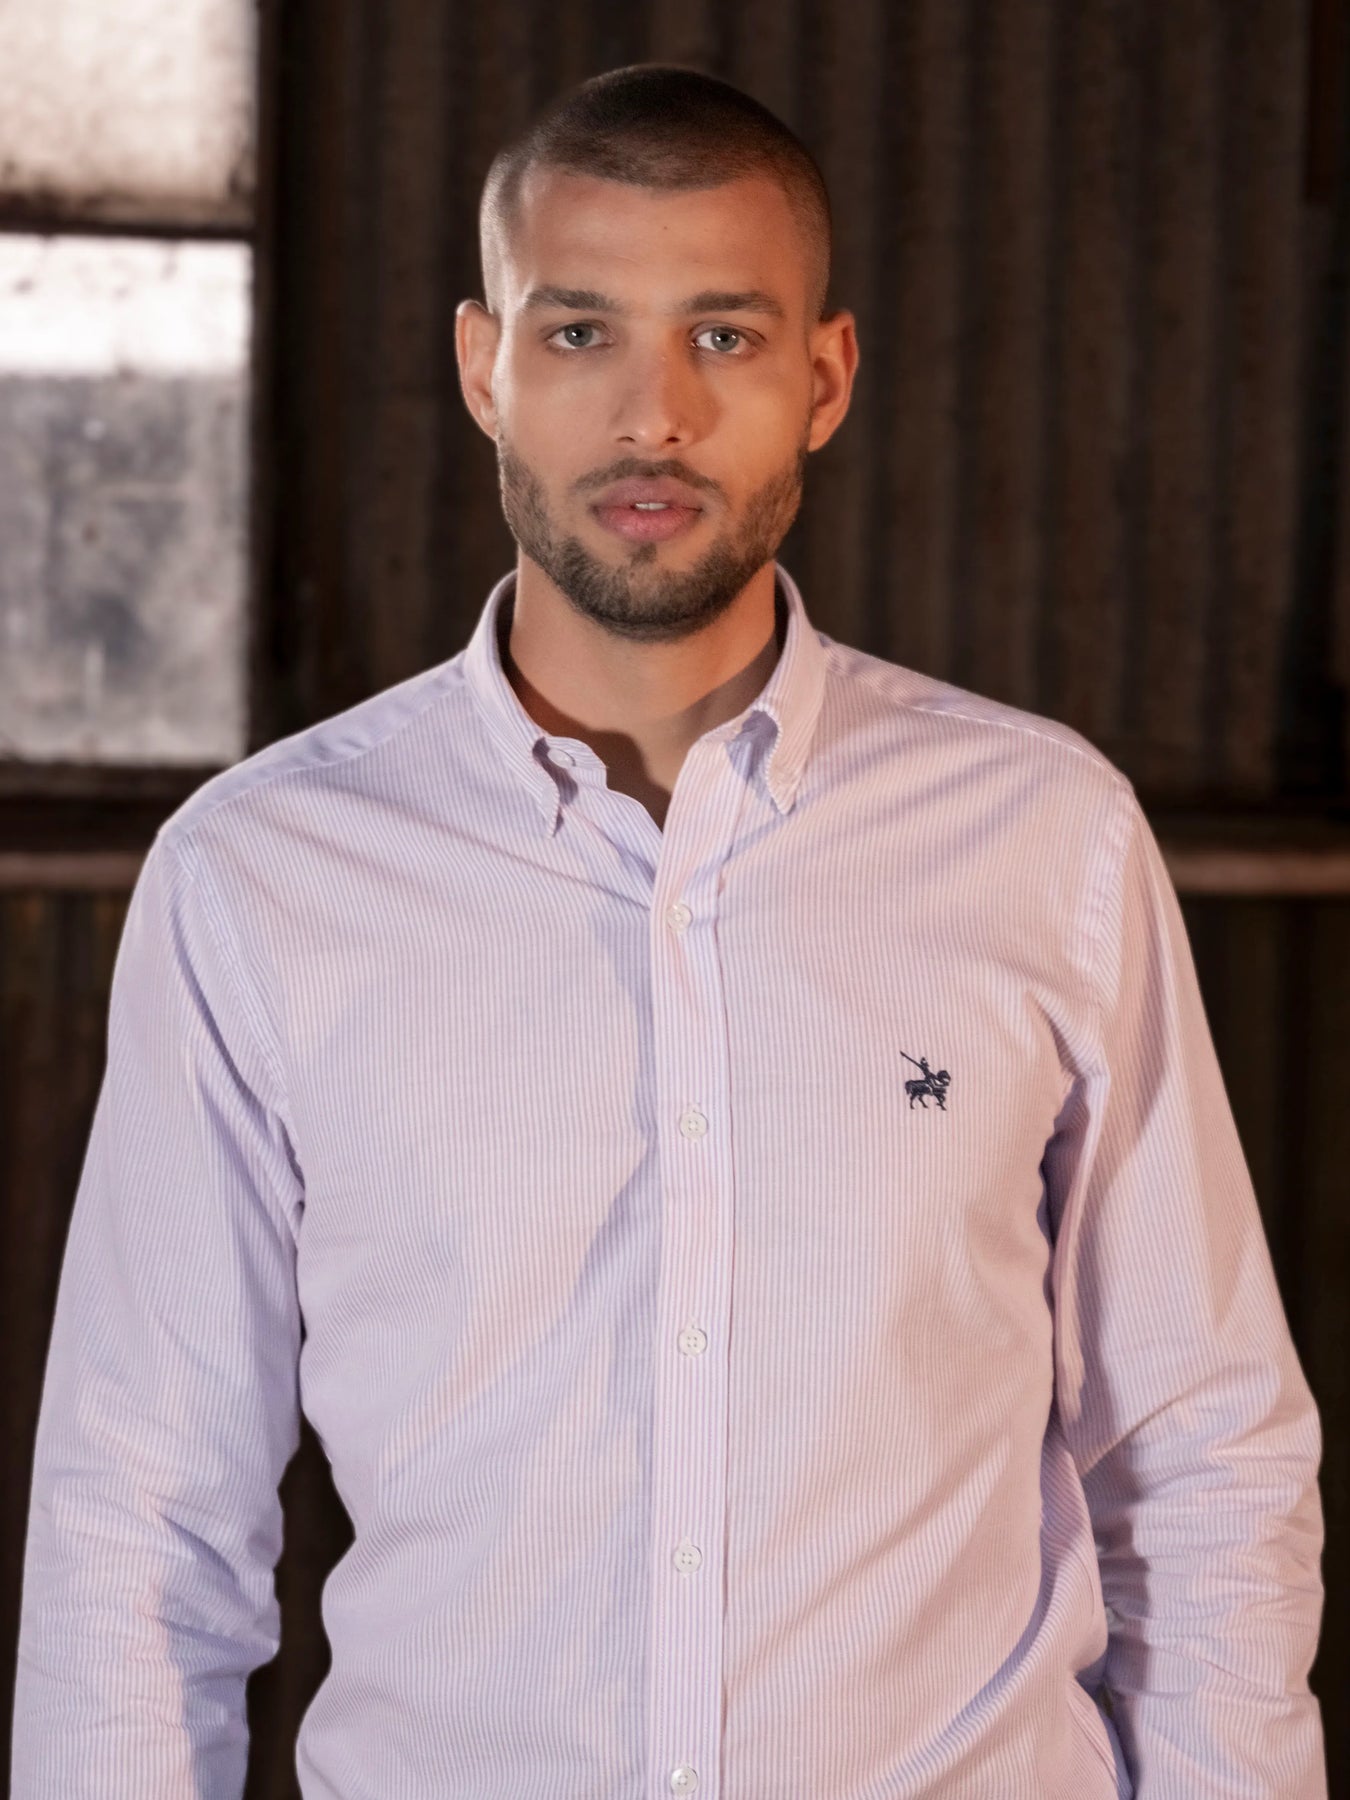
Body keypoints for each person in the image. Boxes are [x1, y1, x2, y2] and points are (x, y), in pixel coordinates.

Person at [12, 60, 1326, 1800]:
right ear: (482, 366)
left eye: (723, 335)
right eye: (579, 334)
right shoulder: (260, 879)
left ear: (823, 377)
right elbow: (140, 1518)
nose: (655, 416)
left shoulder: (1044, 838)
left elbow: (1199, 1457)